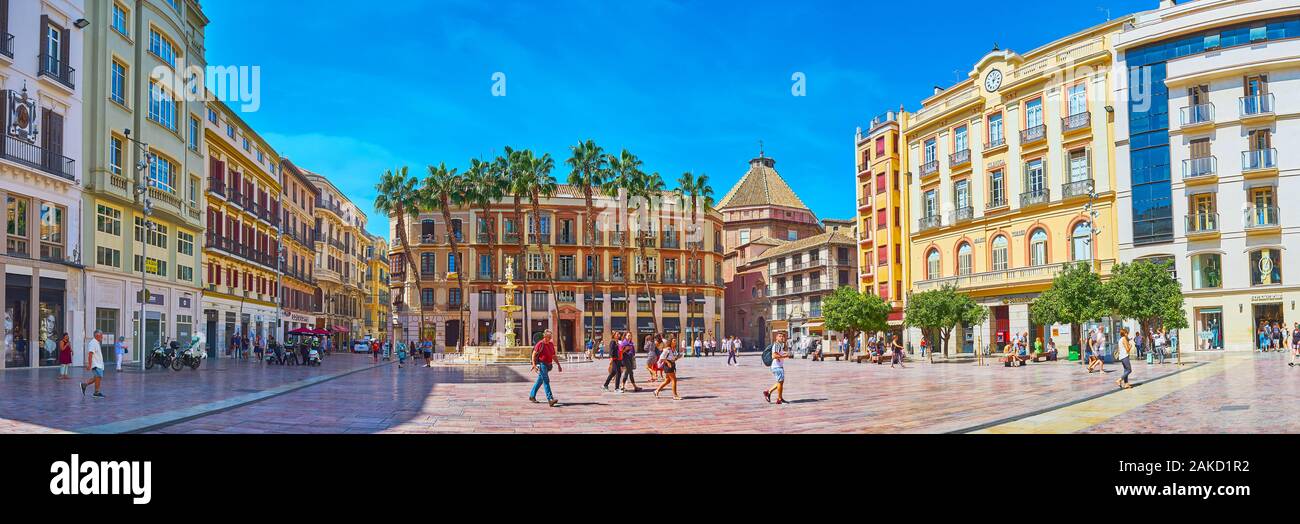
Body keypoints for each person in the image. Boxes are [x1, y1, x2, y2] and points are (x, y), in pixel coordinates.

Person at [529, 329, 561, 407]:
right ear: (545, 336)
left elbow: (553, 356)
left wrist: (558, 365)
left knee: (540, 381)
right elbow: (534, 354)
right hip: (542, 364)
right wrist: (534, 365)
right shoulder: (540, 344)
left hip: (548, 365)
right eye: (548, 337)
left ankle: (532, 396)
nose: (550, 338)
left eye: (550, 337)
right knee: (546, 380)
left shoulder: (551, 344)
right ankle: (550, 399)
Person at [764, 331, 791, 404]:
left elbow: (778, 353)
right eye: (780, 336)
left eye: (782, 336)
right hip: (777, 366)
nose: (782, 338)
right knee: (780, 382)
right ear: (776, 337)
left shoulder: (779, 345)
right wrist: (785, 356)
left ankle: (768, 392)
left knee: (780, 382)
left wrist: (785, 354)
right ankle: (779, 399)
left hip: (778, 366)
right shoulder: (777, 345)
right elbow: (774, 356)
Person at [654, 334, 682, 400]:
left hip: (672, 365)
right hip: (668, 366)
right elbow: (662, 358)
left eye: (675, 341)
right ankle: (675, 395)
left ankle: (656, 391)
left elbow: (673, 358)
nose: (675, 342)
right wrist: (668, 362)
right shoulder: (667, 349)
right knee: (674, 380)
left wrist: (677, 357)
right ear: (671, 342)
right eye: (674, 341)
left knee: (667, 381)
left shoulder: (674, 349)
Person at [80, 330, 106, 399]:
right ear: (97, 335)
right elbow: (90, 354)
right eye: (101, 336)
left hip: (99, 364)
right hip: (96, 364)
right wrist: (89, 365)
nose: (102, 337)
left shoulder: (96, 342)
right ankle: (96, 392)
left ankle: (84, 385)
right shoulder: (93, 343)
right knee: (98, 377)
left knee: (97, 378)